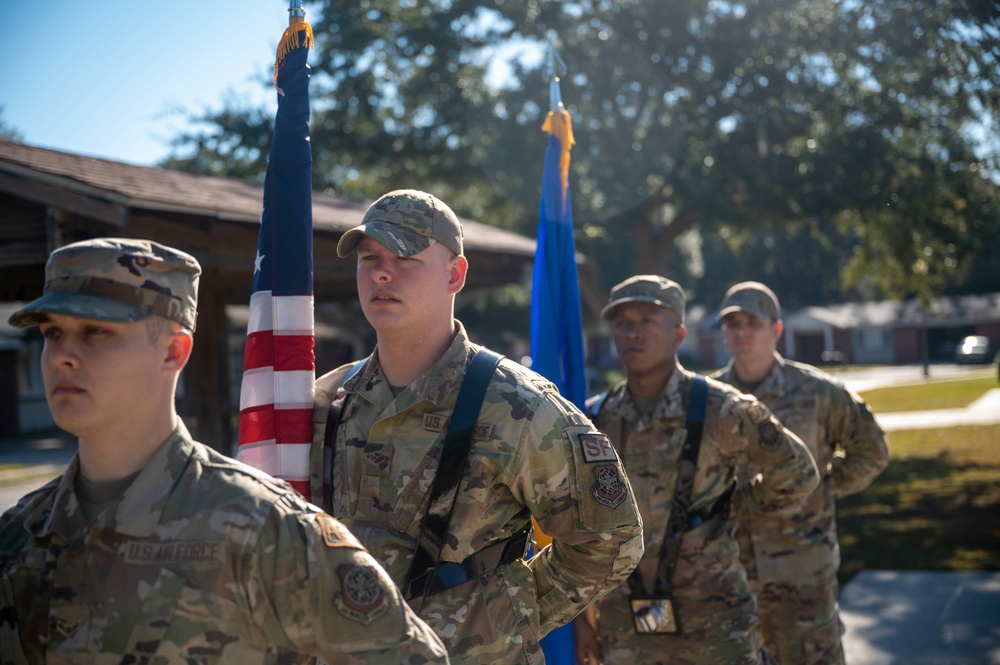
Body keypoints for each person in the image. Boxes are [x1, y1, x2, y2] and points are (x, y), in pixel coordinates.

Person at [0, 237, 449, 665]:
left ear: (173, 352)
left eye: (95, 331)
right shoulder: (19, 537)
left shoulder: (263, 529)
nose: (62, 355)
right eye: (53, 333)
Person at [310, 190, 644, 665]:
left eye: (405, 256)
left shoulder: (516, 405)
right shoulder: (328, 399)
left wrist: (507, 617)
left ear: (455, 275)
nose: (382, 272)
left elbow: (611, 539)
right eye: (370, 258)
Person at [573, 274, 820, 665]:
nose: (632, 333)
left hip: (716, 622)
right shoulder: (592, 419)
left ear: (679, 334)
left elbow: (798, 473)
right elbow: (576, 526)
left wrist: (731, 508)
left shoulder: (722, 409)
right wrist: (579, 622)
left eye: (648, 321)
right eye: (623, 323)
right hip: (624, 626)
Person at [711, 281, 890, 665]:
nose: (741, 331)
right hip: (730, 573)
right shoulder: (709, 399)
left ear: (776, 329)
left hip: (802, 572)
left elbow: (871, 450)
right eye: (732, 323)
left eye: (752, 323)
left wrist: (821, 487)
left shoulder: (818, 392)